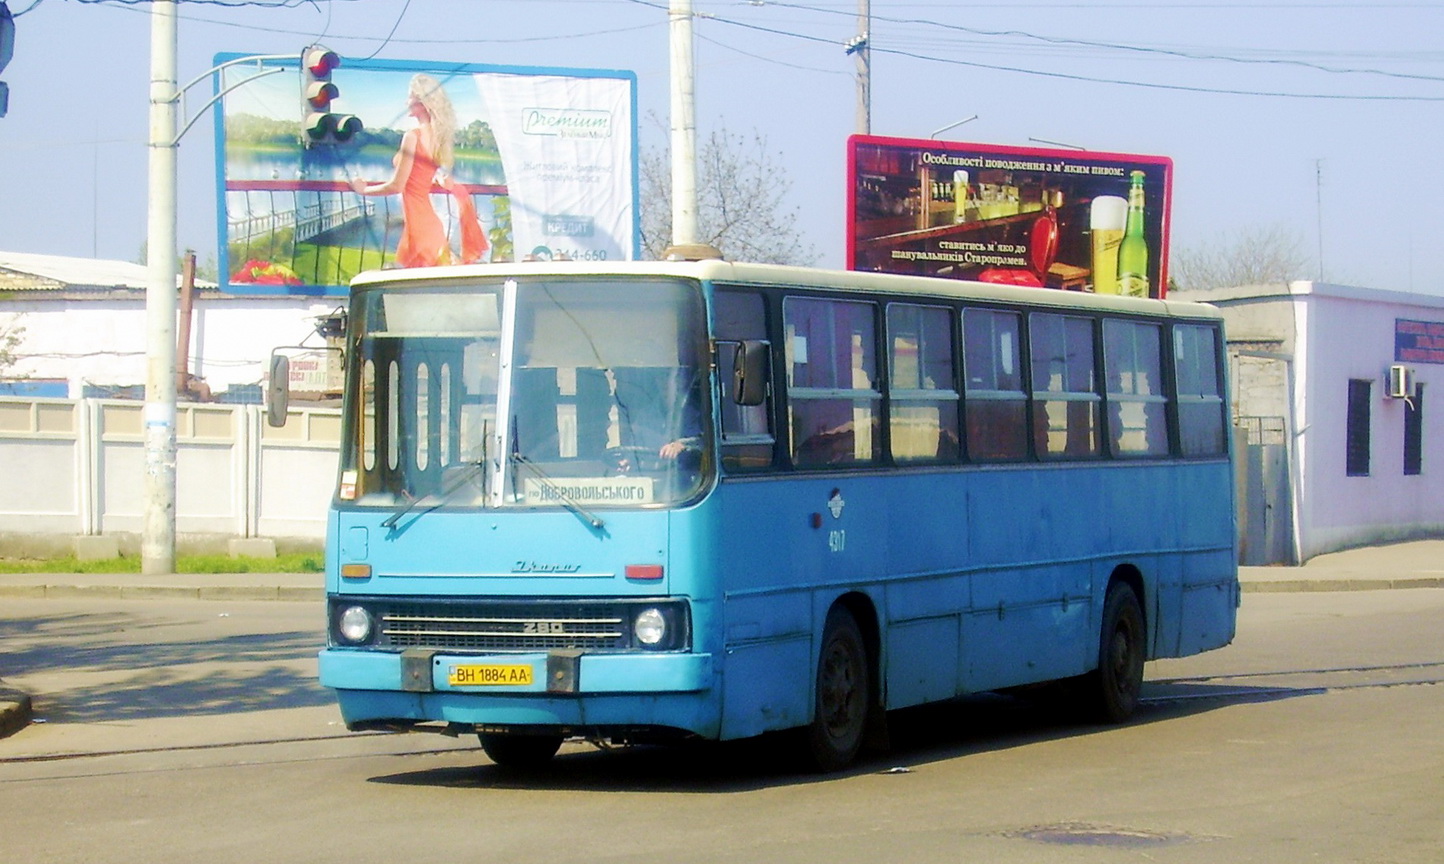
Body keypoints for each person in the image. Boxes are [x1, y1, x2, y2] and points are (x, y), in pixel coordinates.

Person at [350, 74, 488, 268]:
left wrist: (364, 190)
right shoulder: (438, 137)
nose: (406, 102)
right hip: (423, 223)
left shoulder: (412, 137)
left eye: (409, 97)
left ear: (421, 102)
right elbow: (422, 175)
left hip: (420, 225)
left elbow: (397, 185)